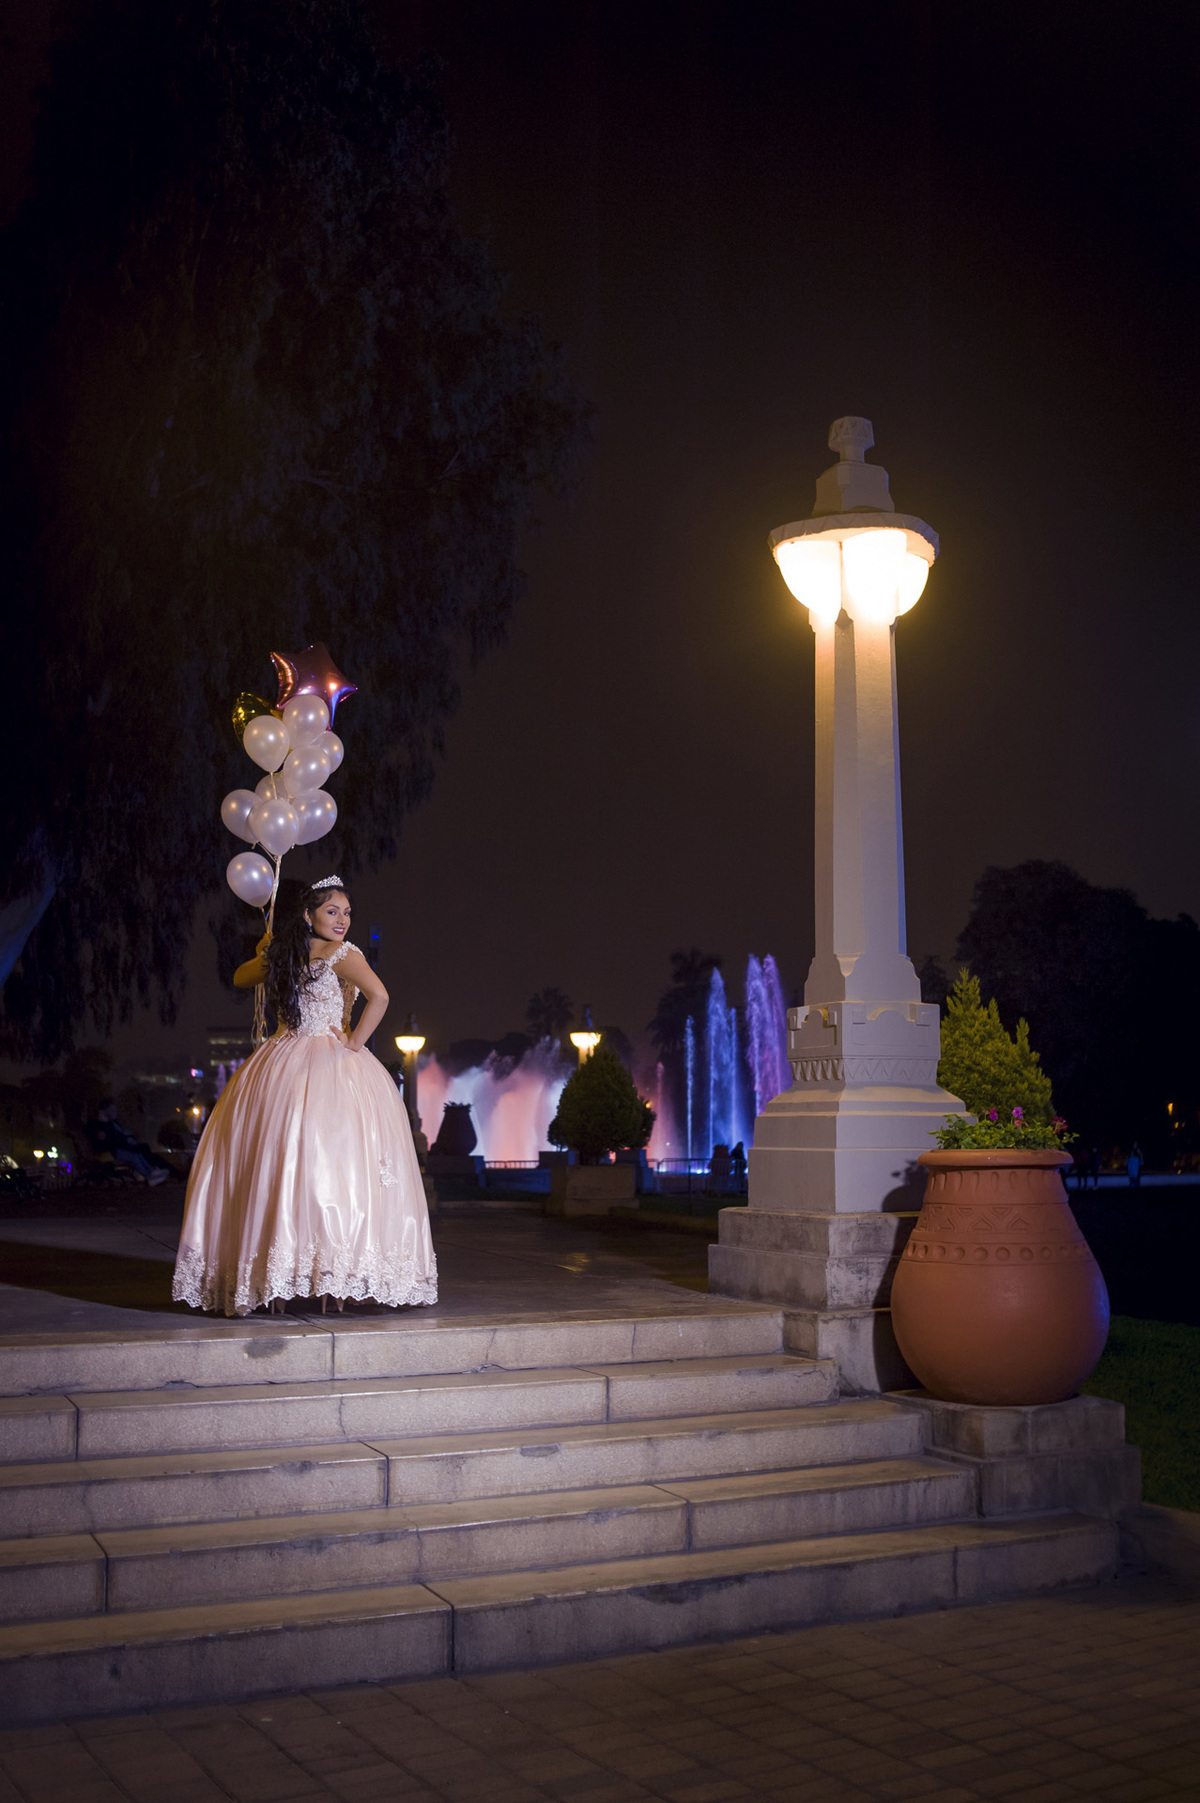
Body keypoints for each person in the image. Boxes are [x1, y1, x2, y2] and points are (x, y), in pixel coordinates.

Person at [172, 876, 437, 1317]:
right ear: (307, 914)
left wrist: (353, 1045)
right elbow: (242, 977)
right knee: (296, 1165)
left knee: (313, 1166)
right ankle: (287, 1274)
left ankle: (316, 1273)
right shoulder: (293, 953)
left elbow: (379, 996)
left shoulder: (340, 954)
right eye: (332, 911)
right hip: (305, 1062)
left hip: (296, 1063)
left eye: (347, 912)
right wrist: (267, 949)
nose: (342, 920)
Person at [85, 1100, 169, 1185]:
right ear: (103, 1111)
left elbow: (113, 1137)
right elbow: (108, 1140)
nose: (113, 1112)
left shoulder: (109, 1124)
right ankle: (149, 1175)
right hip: (109, 1152)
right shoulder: (97, 1125)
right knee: (133, 1156)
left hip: (115, 1150)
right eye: (111, 1110)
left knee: (137, 1153)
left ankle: (151, 1171)